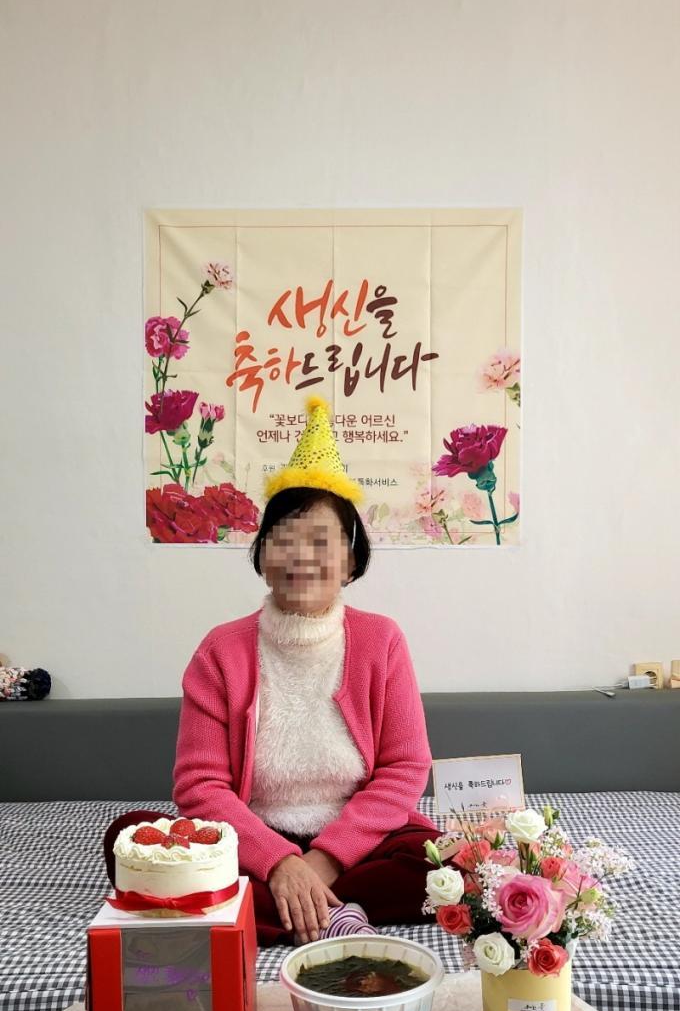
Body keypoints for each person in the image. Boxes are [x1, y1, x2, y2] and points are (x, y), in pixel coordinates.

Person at [104, 395, 441, 945]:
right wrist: (280, 862)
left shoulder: (381, 640)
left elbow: (405, 769)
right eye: (283, 540)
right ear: (262, 557)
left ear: (351, 561)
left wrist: (322, 862)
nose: (301, 556)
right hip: (253, 839)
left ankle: (276, 911)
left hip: (357, 843)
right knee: (130, 838)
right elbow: (199, 785)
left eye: (320, 542)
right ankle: (336, 911)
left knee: (444, 868)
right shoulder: (221, 650)